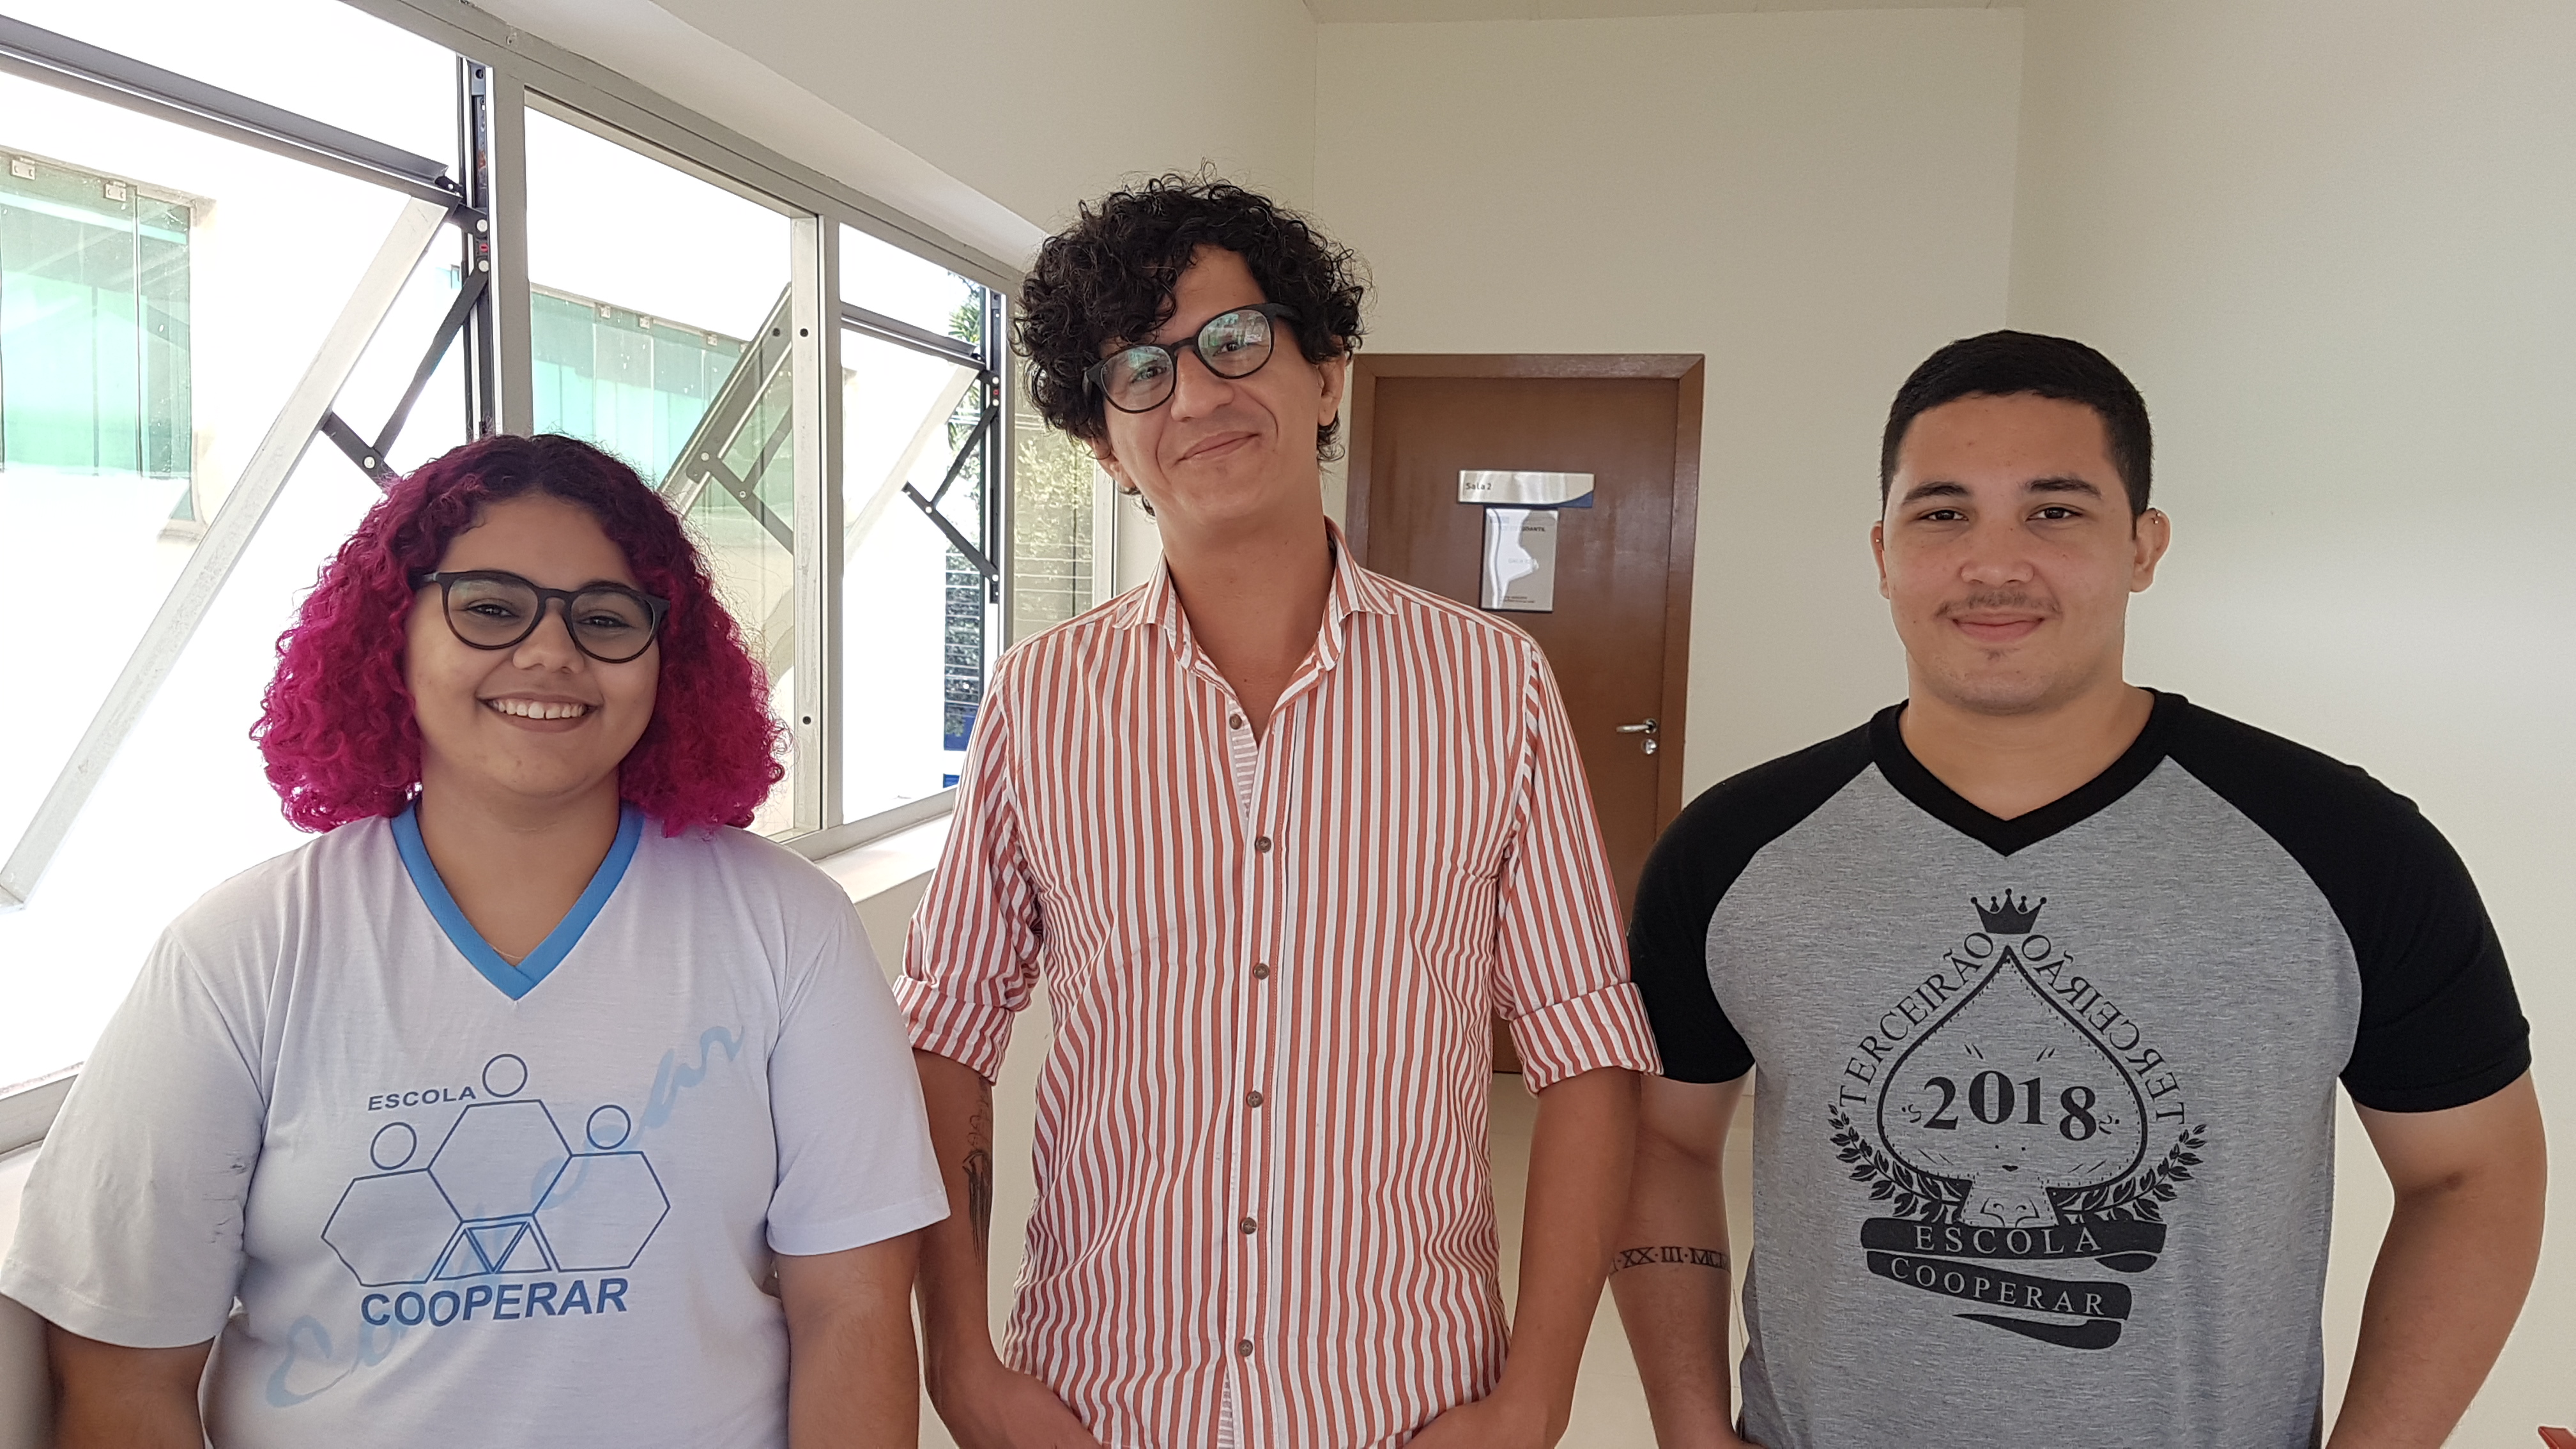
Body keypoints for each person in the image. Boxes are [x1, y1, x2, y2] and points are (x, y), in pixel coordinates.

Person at [1612, 330, 2544, 1448]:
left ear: (2144, 545)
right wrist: (1688, 1428)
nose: (1994, 565)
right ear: (1883, 551)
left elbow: (2473, 1178)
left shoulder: (2350, 847)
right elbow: (1662, 1143)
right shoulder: (1734, 849)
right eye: (1943, 513)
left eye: (2054, 511)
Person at [900, 176, 1660, 1449]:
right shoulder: (1041, 700)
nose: (1196, 395)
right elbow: (946, 1038)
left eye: (1236, 339)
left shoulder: (1493, 687)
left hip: (1407, 1398)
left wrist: (1537, 1396)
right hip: (1106, 1398)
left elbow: (1584, 1049)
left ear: (1328, 374)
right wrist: (962, 1366)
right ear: (1104, 442)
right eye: (1141, 370)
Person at [0, 434, 945, 1447]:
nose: (550, 654)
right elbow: (121, 1371)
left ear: (666, 662)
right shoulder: (243, 952)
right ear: (392, 636)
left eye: (606, 619)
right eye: (491, 608)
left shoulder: (789, 927)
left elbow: (852, 1308)